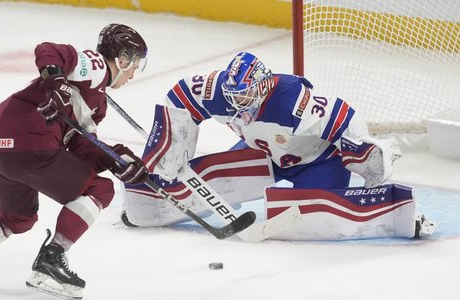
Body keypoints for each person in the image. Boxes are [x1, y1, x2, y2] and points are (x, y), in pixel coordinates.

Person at [0, 24, 150, 299]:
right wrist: (55, 80)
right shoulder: (96, 66)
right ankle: (51, 261)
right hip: (32, 144)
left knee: (18, 217)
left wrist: (117, 160)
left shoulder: (95, 100)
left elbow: (80, 144)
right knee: (100, 190)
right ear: (122, 58)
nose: (134, 72)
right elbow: (48, 50)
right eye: (135, 63)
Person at [120, 51, 437, 240]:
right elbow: (181, 96)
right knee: (208, 175)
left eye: (243, 96)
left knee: (306, 218)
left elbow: (345, 117)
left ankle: (399, 215)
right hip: (265, 155)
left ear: (262, 85)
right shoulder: (222, 91)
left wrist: (364, 153)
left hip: (318, 163)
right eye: (232, 97)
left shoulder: (291, 100)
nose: (236, 104)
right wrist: (173, 146)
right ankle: (148, 207)